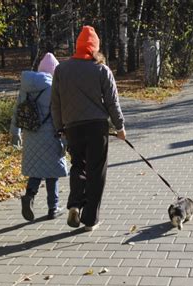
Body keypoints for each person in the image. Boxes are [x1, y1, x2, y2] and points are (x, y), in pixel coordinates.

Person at [51, 25, 126, 231]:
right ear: (95, 47)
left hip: (72, 127)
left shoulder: (61, 69)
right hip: (96, 127)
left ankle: (74, 204)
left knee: (78, 166)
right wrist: (119, 127)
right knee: (96, 171)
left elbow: (55, 103)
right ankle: (90, 219)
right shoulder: (102, 69)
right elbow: (112, 102)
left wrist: (60, 127)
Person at [11, 53, 68, 221]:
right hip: (51, 135)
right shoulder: (54, 89)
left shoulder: (25, 88)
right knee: (52, 172)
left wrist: (15, 132)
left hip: (31, 134)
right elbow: (59, 115)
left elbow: (17, 111)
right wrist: (65, 139)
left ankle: (29, 195)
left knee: (36, 169)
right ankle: (53, 207)